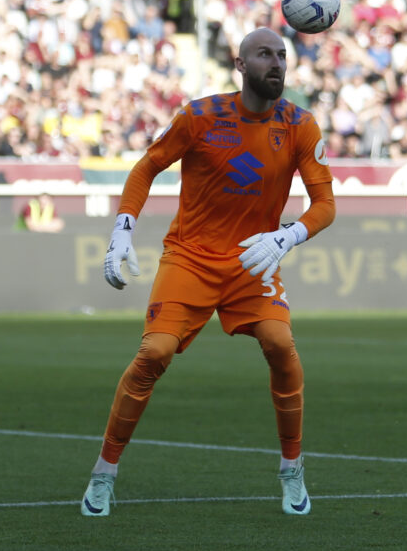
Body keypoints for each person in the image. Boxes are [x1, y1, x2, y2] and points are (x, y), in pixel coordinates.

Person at [81, 26, 336, 517]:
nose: (276, 63)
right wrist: (122, 231)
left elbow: (324, 204)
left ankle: (292, 468)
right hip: (190, 257)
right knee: (153, 352)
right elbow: (146, 166)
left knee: (282, 346)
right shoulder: (200, 116)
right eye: (264, 55)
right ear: (240, 66)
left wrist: (287, 236)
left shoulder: (300, 125)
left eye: (282, 55)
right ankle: (103, 473)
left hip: (252, 257)